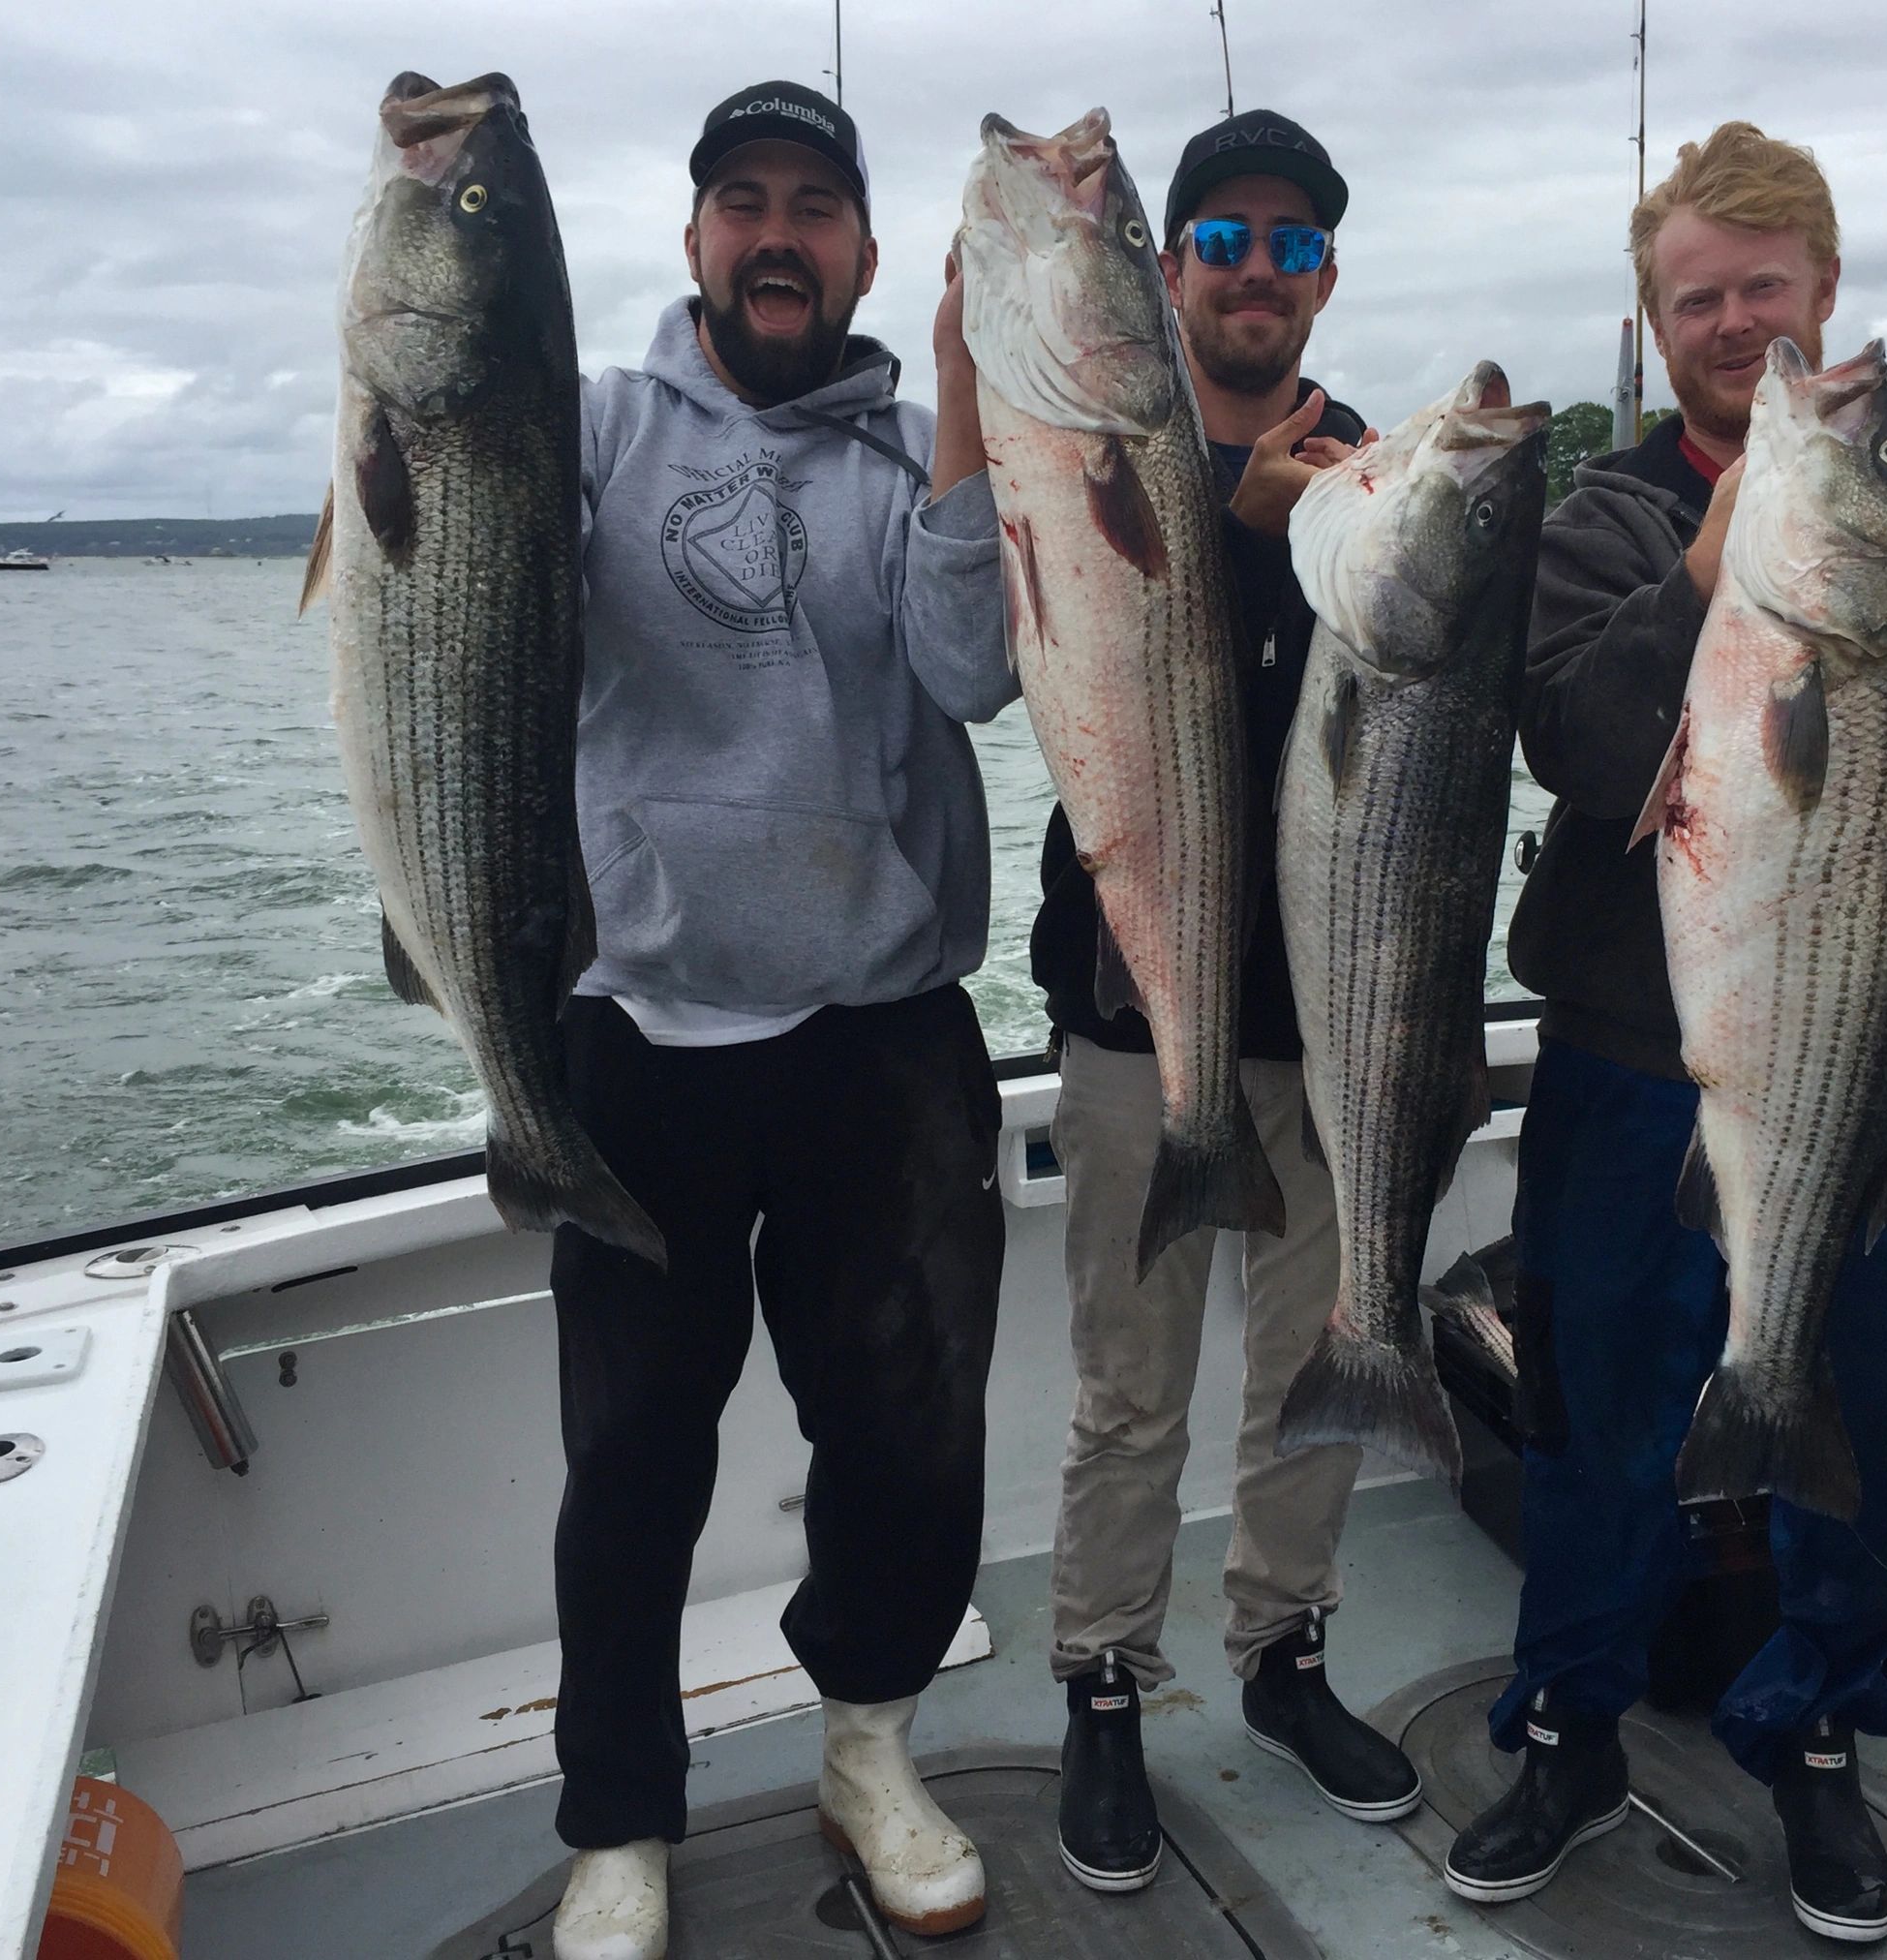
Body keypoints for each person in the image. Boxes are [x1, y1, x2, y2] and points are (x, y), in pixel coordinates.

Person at [1443, 122, 1887, 1943]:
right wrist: (1706, 584)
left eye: (1763, 290)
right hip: (1633, 1059)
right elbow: (1562, 736)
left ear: (1825, 291)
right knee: (1597, 1412)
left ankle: (1812, 1730)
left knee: (1868, 1406)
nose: (1734, 322)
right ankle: (1569, 1726)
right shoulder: (1604, 523)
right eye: (1697, 296)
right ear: (1658, 321)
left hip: (1870, 1053)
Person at [544, 81, 1015, 1960]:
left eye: (813, 205)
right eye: (740, 200)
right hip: (633, 1029)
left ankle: (867, 1738)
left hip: (882, 1030)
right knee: (632, 1450)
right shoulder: (585, 435)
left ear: (866, 257)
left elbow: (975, 672)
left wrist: (974, 398)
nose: (775, 234)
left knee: (908, 1436)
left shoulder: (917, 449)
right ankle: (616, 1819)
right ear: (690, 241)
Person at [1033, 109, 1423, 1894]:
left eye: (1290, 243)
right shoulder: (1108, 450)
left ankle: (1283, 1656)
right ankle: (1105, 1679)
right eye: (1220, 237)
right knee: (1130, 1391)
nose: (1254, 270)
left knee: (1314, 1375)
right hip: (1135, 1014)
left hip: (1337, 1021)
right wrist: (1226, 533)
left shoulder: (1376, 482)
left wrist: (1294, 536)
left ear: (1326, 275)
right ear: (1169, 266)